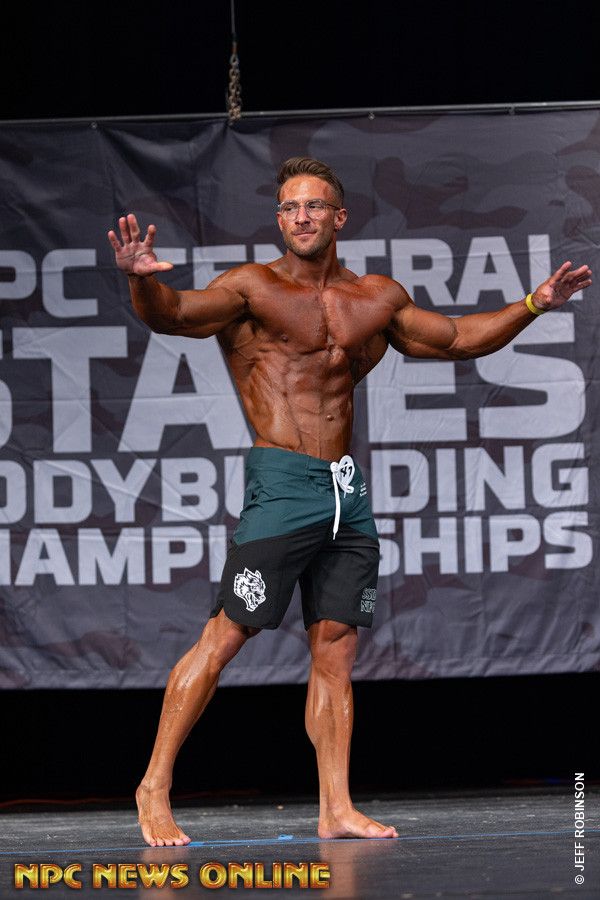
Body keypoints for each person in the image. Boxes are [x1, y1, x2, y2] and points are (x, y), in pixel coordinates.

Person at [108, 156, 591, 847]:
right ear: (279, 219)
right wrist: (140, 280)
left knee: (336, 649)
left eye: (313, 206)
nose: (300, 217)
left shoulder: (376, 298)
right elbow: (175, 314)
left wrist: (535, 303)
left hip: (345, 492)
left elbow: (458, 339)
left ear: (339, 216)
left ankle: (335, 806)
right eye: (289, 207)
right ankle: (153, 785)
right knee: (227, 634)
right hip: (282, 484)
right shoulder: (251, 288)